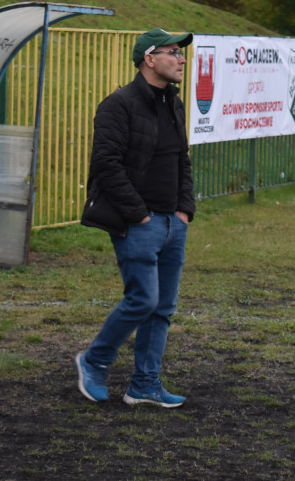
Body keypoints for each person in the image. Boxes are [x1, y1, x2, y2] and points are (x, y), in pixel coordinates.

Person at [75, 28, 196, 408]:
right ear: (149, 58)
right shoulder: (118, 105)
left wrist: (183, 211)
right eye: (173, 52)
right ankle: (94, 361)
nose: (181, 60)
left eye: (181, 53)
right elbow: (106, 166)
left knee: (162, 308)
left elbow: (181, 159)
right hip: (138, 223)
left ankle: (144, 384)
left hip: (172, 223)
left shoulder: (173, 103)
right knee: (143, 300)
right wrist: (140, 216)